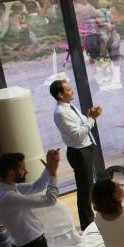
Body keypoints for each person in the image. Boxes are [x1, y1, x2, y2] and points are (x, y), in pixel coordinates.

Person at [50, 79, 104, 228]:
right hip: (79, 152)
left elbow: (81, 125)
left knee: (88, 187)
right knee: (85, 190)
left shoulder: (69, 106)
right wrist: (92, 118)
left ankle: (91, 219)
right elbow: (79, 134)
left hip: (85, 149)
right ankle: (87, 224)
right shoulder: (61, 112)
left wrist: (89, 116)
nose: (72, 91)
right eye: (68, 90)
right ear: (60, 95)